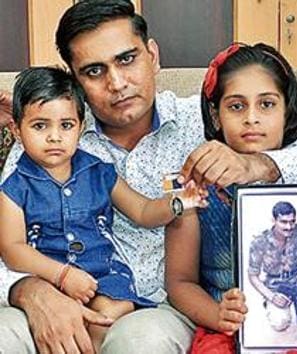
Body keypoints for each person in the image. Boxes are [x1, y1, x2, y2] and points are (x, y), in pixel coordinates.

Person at [0, 1, 297, 353]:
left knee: (139, 342)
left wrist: (258, 164)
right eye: (94, 71)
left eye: (127, 59)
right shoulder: (51, 135)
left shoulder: (206, 122)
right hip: (62, 292)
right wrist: (31, 291)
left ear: (152, 55)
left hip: (162, 307)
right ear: (73, 80)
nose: (117, 83)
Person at [0, 66, 207, 351]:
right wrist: (62, 276)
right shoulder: (15, 185)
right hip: (49, 279)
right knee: (56, 326)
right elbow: (12, 249)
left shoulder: (98, 171)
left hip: (104, 277)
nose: (54, 137)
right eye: (40, 126)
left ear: (81, 127)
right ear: (17, 131)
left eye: (66, 125)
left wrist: (178, 203)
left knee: (108, 315)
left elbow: (143, 211)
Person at [165, 42, 297, 353]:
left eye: (266, 104)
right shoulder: (195, 184)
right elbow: (179, 282)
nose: (252, 118)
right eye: (236, 106)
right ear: (215, 117)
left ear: (286, 110)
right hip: (231, 328)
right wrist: (217, 314)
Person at [248, 201, 297, 339]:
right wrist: (271, 296)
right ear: (274, 220)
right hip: (275, 284)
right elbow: (253, 275)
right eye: (283, 222)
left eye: (292, 221)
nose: (289, 226)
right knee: (280, 323)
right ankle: (271, 306)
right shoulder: (260, 241)